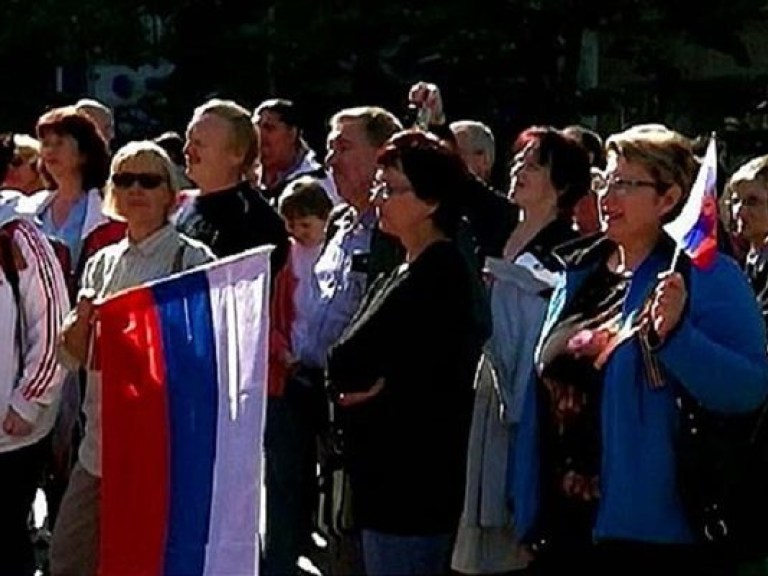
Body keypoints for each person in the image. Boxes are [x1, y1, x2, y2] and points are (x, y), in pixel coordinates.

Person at [513, 124, 768, 574]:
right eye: (604, 180)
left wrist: (677, 338)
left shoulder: (705, 277)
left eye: (626, 184)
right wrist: (526, 506)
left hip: (653, 537)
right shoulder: (579, 272)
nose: (608, 195)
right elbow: (543, 390)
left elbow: (748, 389)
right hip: (563, 528)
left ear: (668, 199)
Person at [49, 140, 214, 576]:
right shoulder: (101, 262)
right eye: (124, 179)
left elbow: (204, 356)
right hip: (99, 442)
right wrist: (80, 324)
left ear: (171, 194)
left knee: (143, 562)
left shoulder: (191, 259)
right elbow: (74, 357)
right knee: (68, 556)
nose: (135, 189)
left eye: (148, 180)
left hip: (158, 444)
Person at [326, 130, 486, 576]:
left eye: (393, 189)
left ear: (431, 202)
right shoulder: (400, 269)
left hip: (415, 485)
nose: (380, 199)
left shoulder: (442, 275)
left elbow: (413, 375)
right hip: (381, 483)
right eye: (379, 187)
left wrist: (375, 387)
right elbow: (342, 360)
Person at [452, 126, 590, 575]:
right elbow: (460, 183)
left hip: (529, 410)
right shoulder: (500, 226)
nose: (519, 170)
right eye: (518, 161)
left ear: (563, 184)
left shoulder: (567, 252)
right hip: (486, 402)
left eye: (534, 164)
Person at [265, 175, 334, 575]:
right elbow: (270, 318)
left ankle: (313, 534)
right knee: (285, 471)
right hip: (287, 373)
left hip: (323, 371)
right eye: (290, 224)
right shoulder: (283, 260)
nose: (297, 232)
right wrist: (283, 354)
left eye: (305, 224)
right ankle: (279, 558)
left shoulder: (336, 254)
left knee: (319, 469)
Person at [0, 191, 70, 576]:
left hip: (11, 433)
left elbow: (55, 323)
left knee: (7, 544)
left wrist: (28, 401)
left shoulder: (18, 235)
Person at [174, 98, 289, 273]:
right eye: (188, 140)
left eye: (199, 144)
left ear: (237, 154)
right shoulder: (184, 208)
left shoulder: (255, 221)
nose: (187, 150)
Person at [252, 98, 339, 204]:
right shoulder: (247, 180)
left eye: (269, 128)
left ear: (292, 133)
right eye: (255, 128)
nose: (260, 135)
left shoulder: (319, 184)